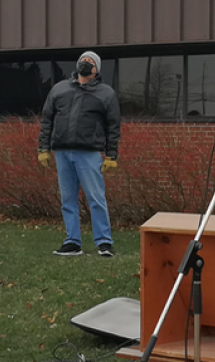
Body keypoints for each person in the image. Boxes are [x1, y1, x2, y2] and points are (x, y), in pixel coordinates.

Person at [38, 51, 120, 257]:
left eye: (91, 62)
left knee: (96, 198)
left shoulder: (106, 93)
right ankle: (72, 241)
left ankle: (104, 242)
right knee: (68, 199)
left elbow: (113, 126)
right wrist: (43, 148)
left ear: (97, 69)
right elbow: (47, 120)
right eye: (83, 60)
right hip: (62, 153)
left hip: (89, 153)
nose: (86, 64)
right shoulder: (59, 89)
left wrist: (111, 155)